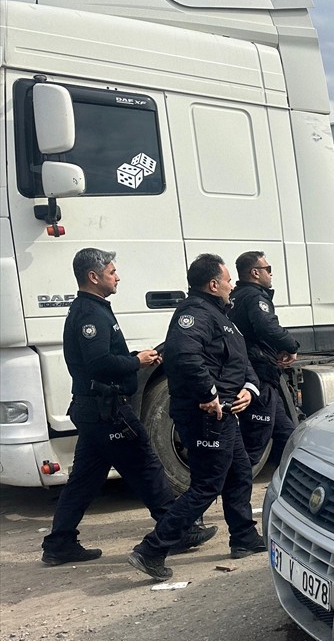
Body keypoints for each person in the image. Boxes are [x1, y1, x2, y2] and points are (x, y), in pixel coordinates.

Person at [41, 248, 216, 566]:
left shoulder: (92, 308)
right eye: (112, 271)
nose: (117, 276)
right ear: (94, 277)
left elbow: (103, 358)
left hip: (96, 411)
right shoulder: (90, 315)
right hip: (107, 411)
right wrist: (137, 361)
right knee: (146, 466)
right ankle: (175, 531)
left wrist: (136, 356)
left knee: (84, 480)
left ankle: (59, 543)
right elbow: (98, 364)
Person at [128, 254, 266, 580]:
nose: (233, 285)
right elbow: (184, 357)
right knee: (206, 486)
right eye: (229, 279)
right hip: (206, 416)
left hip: (225, 414)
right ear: (213, 284)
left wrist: (249, 388)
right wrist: (210, 395)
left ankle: (244, 537)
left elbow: (238, 362)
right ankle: (152, 549)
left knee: (239, 473)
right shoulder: (194, 315)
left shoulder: (221, 316)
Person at [229, 251, 299, 467]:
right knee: (254, 445)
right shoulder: (255, 297)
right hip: (259, 372)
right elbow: (267, 326)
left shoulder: (236, 296)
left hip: (255, 371)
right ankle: (229, 483)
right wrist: (291, 346)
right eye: (267, 269)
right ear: (255, 273)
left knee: (287, 433)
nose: (271, 273)